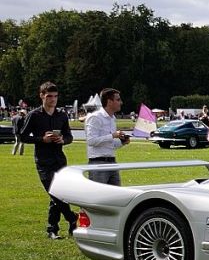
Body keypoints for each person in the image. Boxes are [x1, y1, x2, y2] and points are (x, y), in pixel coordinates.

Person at [19, 81, 77, 239]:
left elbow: (69, 136)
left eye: (55, 96)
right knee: (54, 191)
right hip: (44, 161)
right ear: (41, 96)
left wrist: (63, 140)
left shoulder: (62, 115)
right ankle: (72, 219)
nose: (53, 99)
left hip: (59, 159)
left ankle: (52, 229)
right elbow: (23, 137)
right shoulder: (34, 115)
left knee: (58, 195)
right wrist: (41, 139)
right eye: (49, 96)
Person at [84, 88, 131, 185]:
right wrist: (112, 135)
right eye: (118, 100)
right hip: (98, 164)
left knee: (116, 195)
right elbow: (91, 141)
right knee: (98, 196)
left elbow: (110, 144)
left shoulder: (112, 118)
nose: (121, 102)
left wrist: (122, 142)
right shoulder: (95, 117)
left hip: (112, 162)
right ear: (109, 101)